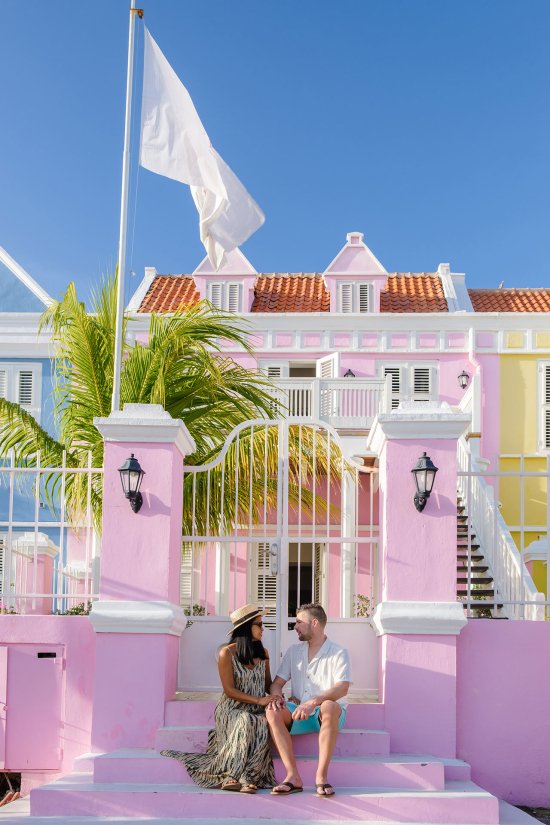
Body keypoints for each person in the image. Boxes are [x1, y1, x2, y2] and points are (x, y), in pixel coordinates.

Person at [161, 603, 277, 794]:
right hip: (231, 709)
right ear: (247, 628)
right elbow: (229, 690)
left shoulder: (263, 654)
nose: (263, 628)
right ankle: (233, 775)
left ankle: (249, 774)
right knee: (245, 720)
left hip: (256, 709)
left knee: (262, 722)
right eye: (259, 624)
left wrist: (276, 696)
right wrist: (258, 701)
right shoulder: (227, 653)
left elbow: (267, 684)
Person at [266, 603, 351, 797]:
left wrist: (312, 702)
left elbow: (342, 687)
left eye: (298, 622)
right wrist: (277, 697)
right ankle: (292, 777)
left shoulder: (338, 652)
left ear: (314, 623)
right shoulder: (293, 651)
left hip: (328, 715)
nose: (294, 626)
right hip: (299, 713)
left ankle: (321, 777)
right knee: (272, 710)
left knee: (329, 705)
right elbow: (276, 683)